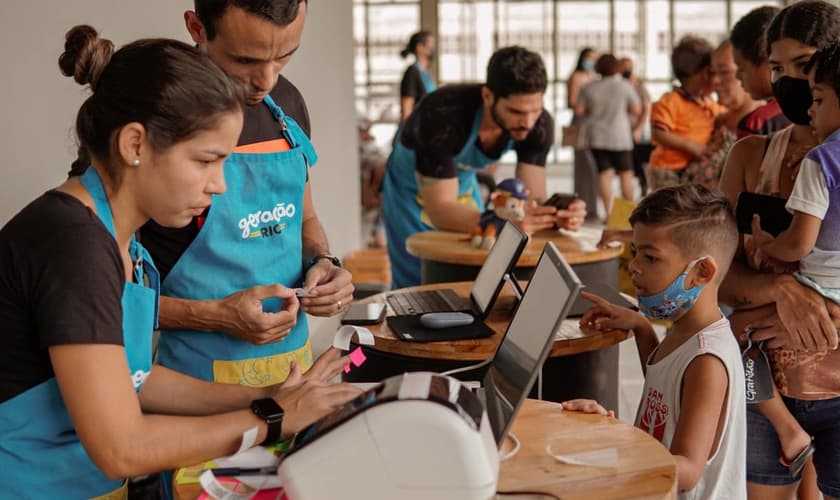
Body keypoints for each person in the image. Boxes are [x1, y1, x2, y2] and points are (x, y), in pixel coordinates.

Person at [0, 26, 359, 498]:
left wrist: (271, 398)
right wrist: (274, 419)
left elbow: (136, 379)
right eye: (206, 161)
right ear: (135, 146)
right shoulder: (75, 247)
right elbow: (121, 447)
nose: (220, 184)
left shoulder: (125, 243)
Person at [136, 0, 355, 388]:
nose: (266, 80)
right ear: (197, 29)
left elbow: (303, 219)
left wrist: (323, 261)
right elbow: (106, 298)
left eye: (284, 56)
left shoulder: (286, 106)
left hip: (293, 378)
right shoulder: (151, 108)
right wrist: (216, 315)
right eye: (246, 60)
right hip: (192, 390)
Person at [718, 2, 840, 499]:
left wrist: (827, 310)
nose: (786, 82)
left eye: (803, 66)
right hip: (762, 378)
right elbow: (715, 273)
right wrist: (779, 289)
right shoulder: (750, 157)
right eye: (776, 67)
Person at [566, 184, 745, 499]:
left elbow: (688, 470)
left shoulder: (707, 361)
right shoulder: (684, 328)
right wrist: (640, 326)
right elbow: (667, 387)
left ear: (701, 272)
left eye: (650, 257)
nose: (634, 266)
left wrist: (615, 444)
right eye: (636, 252)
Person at [380, 46, 587, 289]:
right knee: (422, 274)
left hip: (461, 182)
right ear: (488, 96)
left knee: (479, 259)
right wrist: (501, 222)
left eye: (535, 110)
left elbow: (531, 198)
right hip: (409, 189)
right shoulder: (442, 114)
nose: (528, 122)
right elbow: (440, 208)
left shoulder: (539, 125)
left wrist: (555, 215)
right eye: (516, 112)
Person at [748, 41, 840, 483]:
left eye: (817, 96)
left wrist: (768, 245)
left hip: (819, 291)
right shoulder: (754, 152)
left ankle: (788, 430)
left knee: (734, 340)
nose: (806, 105)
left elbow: (799, 244)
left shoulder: (821, 161)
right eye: (777, 68)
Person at [648, 36, 725, 191]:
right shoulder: (671, 101)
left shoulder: (709, 103)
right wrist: (693, 147)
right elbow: (659, 133)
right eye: (714, 73)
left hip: (691, 168)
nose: (717, 80)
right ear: (705, 73)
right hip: (667, 169)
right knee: (670, 210)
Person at [681, 40, 760, 189]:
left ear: (745, 71)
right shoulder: (714, 120)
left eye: (724, 72)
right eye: (712, 73)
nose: (715, 81)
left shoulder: (761, 126)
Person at [576, 53, 641, 216]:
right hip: (620, 137)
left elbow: (579, 110)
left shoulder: (589, 87)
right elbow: (636, 109)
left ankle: (609, 214)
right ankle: (629, 215)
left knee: (604, 174)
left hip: (597, 137)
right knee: (626, 174)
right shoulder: (625, 86)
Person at [729, 5, 791, 139]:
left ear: (769, 62)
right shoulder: (818, 112)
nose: (738, 76)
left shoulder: (757, 123)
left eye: (742, 68)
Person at [567, 47, 600, 218]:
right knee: (583, 167)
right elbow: (572, 102)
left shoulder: (595, 77)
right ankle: (582, 206)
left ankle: (591, 207)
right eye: (589, 58)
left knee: (593, 169)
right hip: (580, 125)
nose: (592, 62)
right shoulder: (576, 77)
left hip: (594, 125)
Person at [619, 56, 653, 195]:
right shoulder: (619, 85)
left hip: (635, 131)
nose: (627, 69)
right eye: (624, 66)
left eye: (629, 66)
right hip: (621, 132)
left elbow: (646, 108)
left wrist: (638, 129)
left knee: (639, 161)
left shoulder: (638, 86)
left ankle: (643, 185)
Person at [398, 30, 436, 123]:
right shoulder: (412, 73)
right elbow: (407, 113)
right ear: (419, 47)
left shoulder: (426, 73)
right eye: (431, 44)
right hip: (416, 130)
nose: (433, 48)